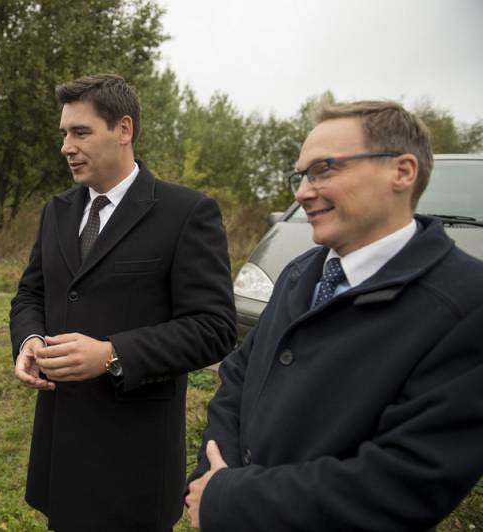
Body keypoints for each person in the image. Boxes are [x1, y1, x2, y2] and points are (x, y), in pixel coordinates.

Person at [185, 101, 483, 531]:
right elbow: (238, 378)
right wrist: (213, 473)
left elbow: (407, 483)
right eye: (301, 175)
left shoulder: (465, 303)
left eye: (325, 170)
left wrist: (232, 497)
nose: (302, 192)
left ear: (402, 171)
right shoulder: (300, 272)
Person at [10, 74, 237, 531]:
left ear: (124, 129)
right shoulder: (57, 211)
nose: (66, 147)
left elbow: (214, 328)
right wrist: (29, 339)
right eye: (64, 134)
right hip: (61, 452)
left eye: (81, 132)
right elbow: (32, 293)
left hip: (134, 461)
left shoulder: (186, 213)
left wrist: (112, 354)